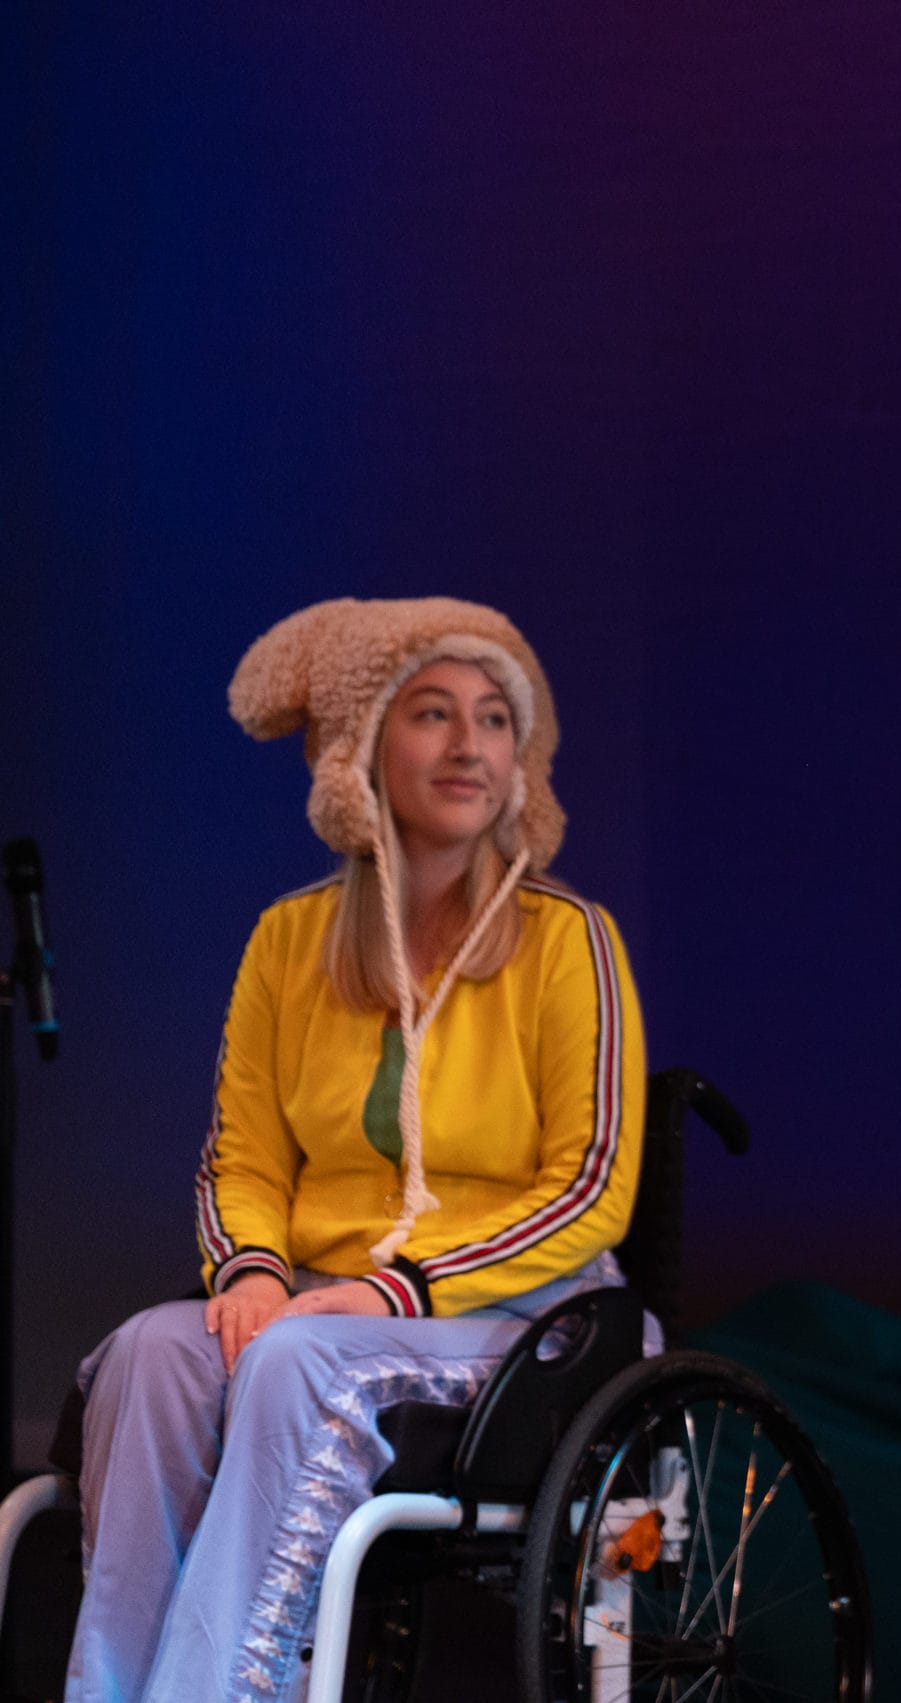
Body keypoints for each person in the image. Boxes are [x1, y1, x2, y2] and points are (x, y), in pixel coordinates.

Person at [67, 597, 647, 1703]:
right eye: (433, 713)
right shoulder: (288, 940)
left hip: (521, 1316)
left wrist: (398, 1287)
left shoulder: (570, 941)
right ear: (361, 748)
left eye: (492, 718)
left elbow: (590, 1189)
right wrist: (249, 1265)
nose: (470, 744)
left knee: (292, 1361)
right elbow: (242, 1153)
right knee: (153, 1349)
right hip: (324, 1302)